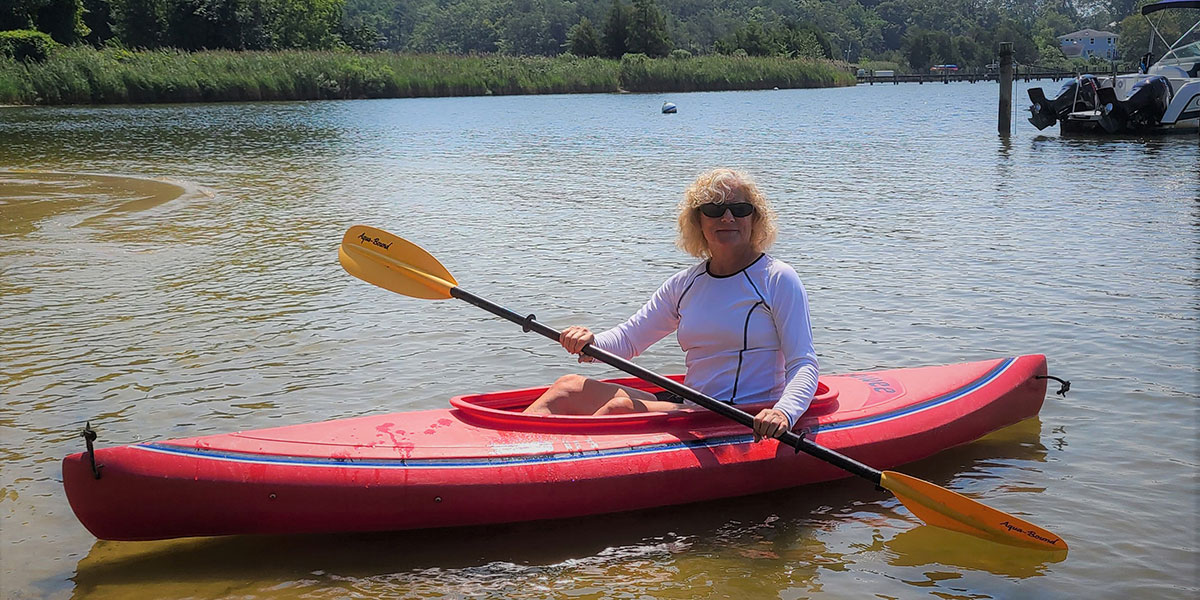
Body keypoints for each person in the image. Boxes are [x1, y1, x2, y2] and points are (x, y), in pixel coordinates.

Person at [522, 168, 819, 442]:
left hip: (742, 416)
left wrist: (784, 412)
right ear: (698, 220)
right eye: (714, 209)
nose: (727, 217)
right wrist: (589, 342)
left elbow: (803, 363)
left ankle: (553, 473)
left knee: (621, 409)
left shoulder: (777, 278)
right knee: (569, 386)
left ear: (754, 219)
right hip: (693, 406)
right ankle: (507, 454)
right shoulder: (685, 284)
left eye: (739, 209)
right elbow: (628, 340)